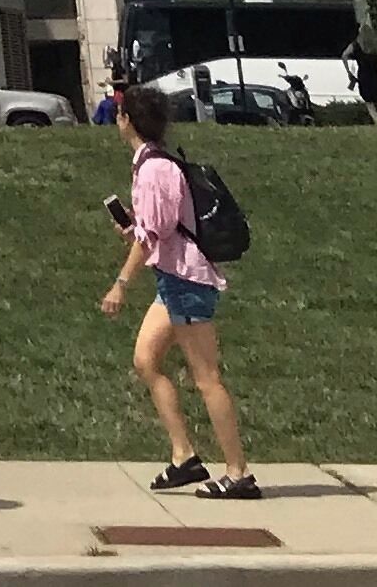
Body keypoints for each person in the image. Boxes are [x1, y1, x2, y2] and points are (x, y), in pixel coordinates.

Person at [101, 89, 256, 500]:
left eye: (119, 114)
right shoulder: (154, 165)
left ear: (127, 120)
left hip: (186, 281)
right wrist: (136, 229)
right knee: (146, 359)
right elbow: (157, 228)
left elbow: (153, 236)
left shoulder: (153, 170)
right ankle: (184, 457)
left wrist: (120, 284)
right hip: (174, 280)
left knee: (207, 379)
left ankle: (239, 474)